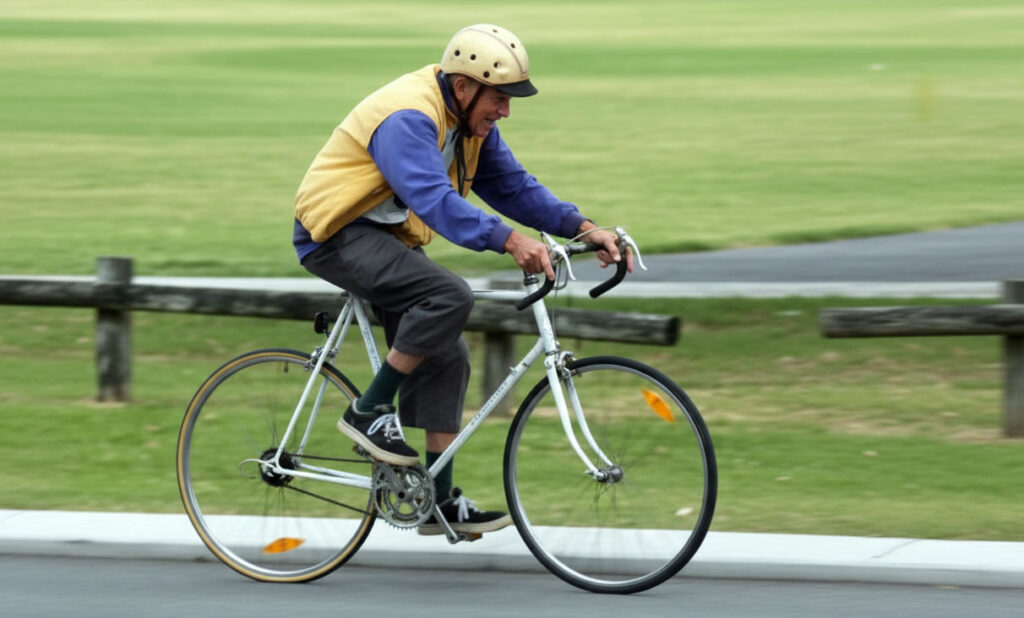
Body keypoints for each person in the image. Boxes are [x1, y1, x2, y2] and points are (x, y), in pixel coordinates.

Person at [292, 24, 630, 536]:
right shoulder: (409, 116)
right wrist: (511, 242)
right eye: (499, 98)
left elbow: (514, 187)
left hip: (387, 238)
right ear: (466, 86)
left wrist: (586, 228)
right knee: (448, 295)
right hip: (336, 233)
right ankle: (368, 411)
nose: (505, 111)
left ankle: (438, 500)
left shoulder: (471, 126)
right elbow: (433, 199)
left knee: (446, 347)